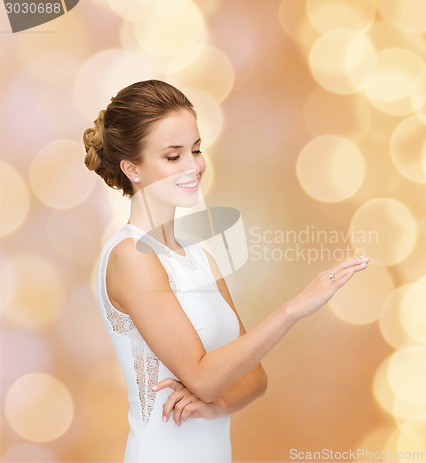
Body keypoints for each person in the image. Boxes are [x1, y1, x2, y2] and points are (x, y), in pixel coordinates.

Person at [83, 79, 369, 463]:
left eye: (196, 150)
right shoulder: (130, 256)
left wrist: (215, 405)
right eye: (173, 156)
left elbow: (254, 377)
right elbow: (202, 376)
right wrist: (292, 309)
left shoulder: (202, 258)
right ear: (132, 168)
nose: (193, 166)